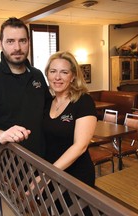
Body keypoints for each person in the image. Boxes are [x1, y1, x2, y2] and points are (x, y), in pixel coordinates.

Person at [0, 17, 51, 215]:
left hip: (41, 163)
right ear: (1, 44)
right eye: (10, 41)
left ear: (28, 43)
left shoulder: (38, 76)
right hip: (6, 167)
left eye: (22, 41)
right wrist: (0, 135)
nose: (17, 47)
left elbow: (49, 113)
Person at [43, 51, 97, 188]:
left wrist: (47, 174)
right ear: (47, 74)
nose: (57, 77)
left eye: (64, 72)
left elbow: (80, 146)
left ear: (73, 76)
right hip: (51, 174)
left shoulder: (84, 101)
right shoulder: (47, 102)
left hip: (75, 177)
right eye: (53, 71)